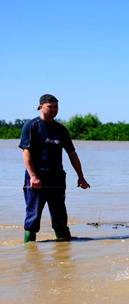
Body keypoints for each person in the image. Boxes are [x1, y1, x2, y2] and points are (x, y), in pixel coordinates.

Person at [20, 94, 90, 243]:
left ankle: (64, 249)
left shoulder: (61, 129)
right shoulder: (32, 126)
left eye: (56, 106)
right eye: (50, 107)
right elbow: (26, 152)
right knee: (33, 217)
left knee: (60, 218)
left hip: (57, 178)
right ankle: (29, 251)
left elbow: (72, 154)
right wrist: (33, 176)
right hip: (36, 178)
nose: (54, 110)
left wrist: (81, 177)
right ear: (41, 107)